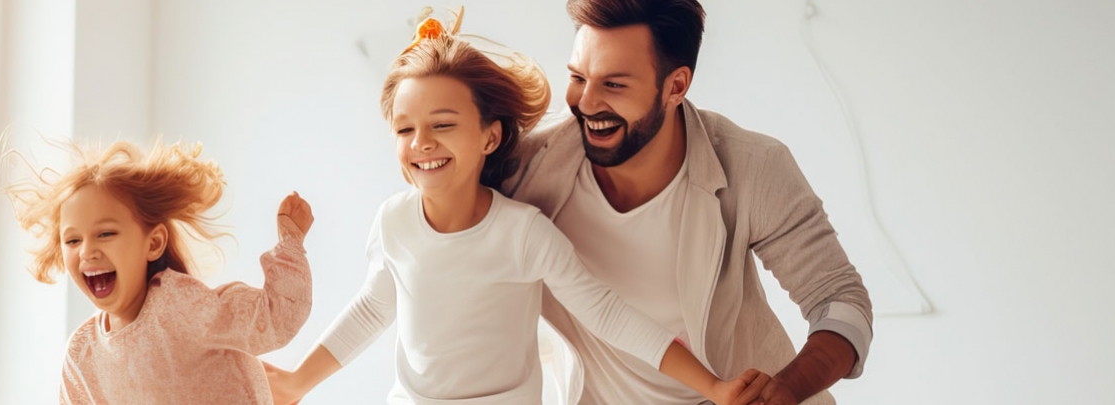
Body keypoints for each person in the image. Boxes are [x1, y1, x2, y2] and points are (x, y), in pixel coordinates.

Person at [263, 7, 772, 405]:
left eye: (442, 125)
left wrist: (713, 387)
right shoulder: (394, 221)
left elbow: (608, 313)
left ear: (490, 136)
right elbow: (374, 306)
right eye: (404, 129)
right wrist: (296, 382)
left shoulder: (521, 233)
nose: (421, 143)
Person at [505, 0, 875, 403]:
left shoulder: (754, 166)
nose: (587, 103)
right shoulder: (524, 167)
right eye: (578, 77)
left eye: (614, 84)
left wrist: (785, 390)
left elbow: (839, 298)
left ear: (676, 86)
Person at [0, 139, 316, 404]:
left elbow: (275, 320)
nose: (87, 251)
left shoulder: (180, 306)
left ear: (153, 244)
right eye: (72, 240)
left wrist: (291, 242)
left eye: (106, 233)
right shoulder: (82, 354)